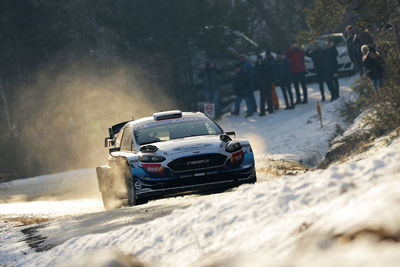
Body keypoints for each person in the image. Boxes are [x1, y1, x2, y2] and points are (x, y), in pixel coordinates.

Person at [262, 49, 276, 115]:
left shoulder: (273, 60)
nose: (267, 56)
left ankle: (275, 104)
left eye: (268, 54)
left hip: (272, 78)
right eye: (266, 55)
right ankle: (269, 105)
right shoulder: (264, 60)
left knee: (273, 92)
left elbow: (273, 68)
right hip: (266, 79)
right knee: (267, 94)